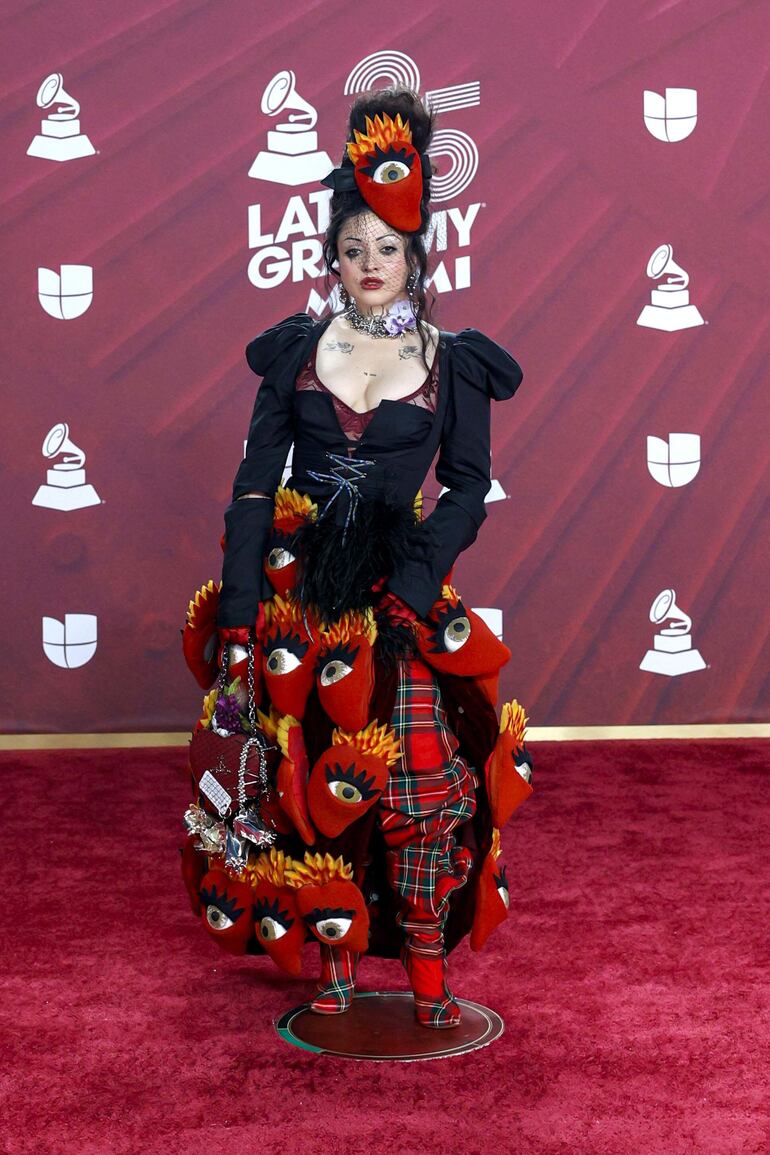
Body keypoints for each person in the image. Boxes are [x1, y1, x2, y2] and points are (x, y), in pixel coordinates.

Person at [181, 85, 533, 1030]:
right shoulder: (295, 352)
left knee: (419, 780)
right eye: (352, 247)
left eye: (387, 247)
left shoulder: (452, 361)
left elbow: (465, 486)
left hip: (401, 596)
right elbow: (253, 488)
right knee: (304, 783)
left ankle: (426, 969)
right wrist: (244, 609)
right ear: (329, 255)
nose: (369, 263)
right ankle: (334, 964)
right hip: (302, 601)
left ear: (417, 256)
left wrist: (416, 577)